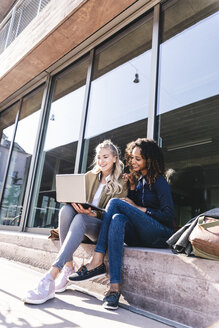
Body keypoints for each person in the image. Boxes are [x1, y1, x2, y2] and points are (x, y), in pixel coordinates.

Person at [69, 138, 175, 310]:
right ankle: (114, 290)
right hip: (141, 235)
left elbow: (168, 215)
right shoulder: (138, 181)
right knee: (118, 218)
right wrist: (132, 188)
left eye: (137, 159)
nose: (132, 161)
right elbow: (131, 211)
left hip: (159, 234)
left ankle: (97, 260)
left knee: (114, 203)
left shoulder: (159, 181)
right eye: (132, 157)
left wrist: (139, 208)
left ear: (149, 160)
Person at [23, 140, 128, 304]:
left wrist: (92, 214)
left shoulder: (123, 181)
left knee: (80, 218)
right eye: (99, 157)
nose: (101, 161)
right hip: (81, 223)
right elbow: (76, 198)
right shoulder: (90, 176)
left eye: (106, 157)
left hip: (100, 228)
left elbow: (114, 213)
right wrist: (75, 204)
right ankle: (68, 267)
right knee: (66, 210)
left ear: (115, 158)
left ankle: (51, 275)